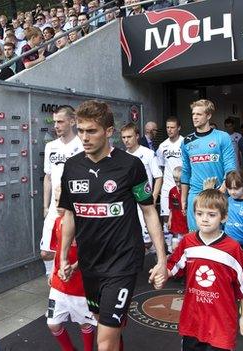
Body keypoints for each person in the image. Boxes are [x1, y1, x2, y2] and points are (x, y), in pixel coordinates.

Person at [57, 100, 167, 351]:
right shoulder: (72, 167)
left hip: (123, 262)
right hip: (89, 263)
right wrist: (64, 256)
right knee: (106, 326)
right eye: (81, 130)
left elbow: (149, 211)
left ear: (108, 132)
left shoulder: (131, 165)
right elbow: (70, 216)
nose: (84, 137)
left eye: (91, 131)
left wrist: (162, 259)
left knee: (104, 342)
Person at [166, 189, 243, 351]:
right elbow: (173, 267)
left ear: (224, 217)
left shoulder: (232, 248)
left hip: (221, 324)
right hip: (193, 321)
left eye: (211, 214)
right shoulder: (188, 242)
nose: (205, 219)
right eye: (200, 214)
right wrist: (161, 273)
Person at [47, 187, 96, 351]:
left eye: (60, 201)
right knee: (52, 323)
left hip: (80, 286)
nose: (57, 205)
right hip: (59, 283)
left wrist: (73, 268)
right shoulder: (56, 222)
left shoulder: (85, 225)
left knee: (85, 323)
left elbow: (92, 255)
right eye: (55, 200)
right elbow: (58, 250)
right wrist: (54, 271)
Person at [180, 99, 237, 232]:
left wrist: (219, 192)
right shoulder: (186, 141)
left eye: (199, 114)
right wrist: (184, 198)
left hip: (219, 192)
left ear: (209, 116)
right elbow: (186, 171)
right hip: (195, 194)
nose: (194, 117)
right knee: (195, 235)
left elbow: (230, 168)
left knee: (220, 236)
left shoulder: (222, 137)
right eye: (193, 114)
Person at [41, 106, 83, 276]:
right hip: (54, 207)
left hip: (75, 207)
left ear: (72, 121)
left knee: (74, 250)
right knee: (46, 252)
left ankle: (73, 285)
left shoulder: (82, 144)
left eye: (60, 121)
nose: (56, 125)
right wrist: (45, 206)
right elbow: (48, 177)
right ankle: (52, 281)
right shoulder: (50, 146)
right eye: (54, 122)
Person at [121, 122, 163, 252]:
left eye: (129, 136)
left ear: (137, 136)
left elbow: (158, 176)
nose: (126, 140)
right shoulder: (122, 156)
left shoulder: (148, 153)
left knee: (149, 242)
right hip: (128, 204)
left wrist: (153, 197)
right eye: (124, 137)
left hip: (144, 203)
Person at [156, 117, 183, 226]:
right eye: (167, 127)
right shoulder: (162, 146)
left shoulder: (185, 143)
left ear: (179, 128)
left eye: (172, 127)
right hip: (167, 185)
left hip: (182, 186)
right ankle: (167, 240)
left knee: (181, 215)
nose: (169, 130)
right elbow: (161, 166)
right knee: (166, 216)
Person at [167, 167, 188, 252]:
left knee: (186, 246)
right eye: (176, 181)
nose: (178, 184)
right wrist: (169, 219)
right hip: (177, 222)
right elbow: (172, 207)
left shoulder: (189, 191)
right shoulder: (172, 191)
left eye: (181, 182)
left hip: (186, 224)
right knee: (175, 247)